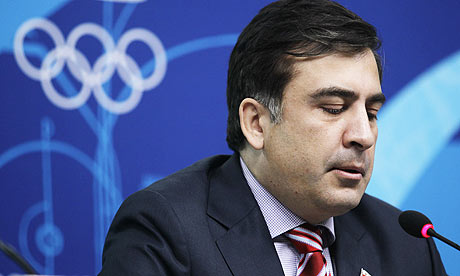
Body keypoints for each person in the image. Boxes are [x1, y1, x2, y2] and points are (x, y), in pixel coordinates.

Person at [99, 0, 447, 275]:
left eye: (371, 113)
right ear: (257, 123)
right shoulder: (166, 229)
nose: (363, 136)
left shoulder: (408, 246)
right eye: (333, 107)